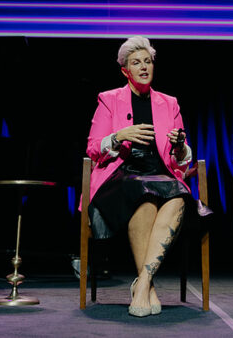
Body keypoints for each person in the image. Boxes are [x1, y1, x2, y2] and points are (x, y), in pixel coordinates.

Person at [85, 36, 207, 317]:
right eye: (136, 63)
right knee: (143, 195)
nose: (143, 67)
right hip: (122, 175)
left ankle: (142, 284)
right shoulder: (108, 100)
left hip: (160, 174)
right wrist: (118, 136)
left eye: (148, 61)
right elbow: (93, 148)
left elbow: (182, 158)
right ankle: (146, 286)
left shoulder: (169, 103)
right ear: (125, 71)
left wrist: (180, 146)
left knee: (179, 197)